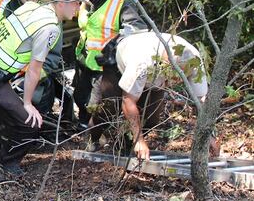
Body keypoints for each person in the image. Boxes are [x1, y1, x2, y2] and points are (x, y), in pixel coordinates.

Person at [0, 0, 84, 174]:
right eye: (76, 4)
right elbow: (34, 69)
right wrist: (27, 103)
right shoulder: (49, 28)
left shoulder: (33, 7)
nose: (78, 9)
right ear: (63, 1)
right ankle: (7, 167)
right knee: (30, 122)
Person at [88, 31, 219, 159]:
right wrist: (139, 139)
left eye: (179, 77)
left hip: (154, 78)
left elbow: (201, 101)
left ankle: (124, 146)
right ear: (164, 64)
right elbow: (128, 101)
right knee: (109, 110)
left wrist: (209, 135)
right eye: (172, 75)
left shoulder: (194, 62)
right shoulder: (141, 62)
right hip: (120, 66)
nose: (174, 80)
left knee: (151, 119)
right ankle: (93, 139)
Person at [73, 0, 146, 127]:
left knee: (97, 106)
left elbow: (138, 28)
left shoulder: (122, 1)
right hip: (84, 59)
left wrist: (115, 44)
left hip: (105, 65)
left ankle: (98, 134)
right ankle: (82, 126)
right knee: (80, 97)